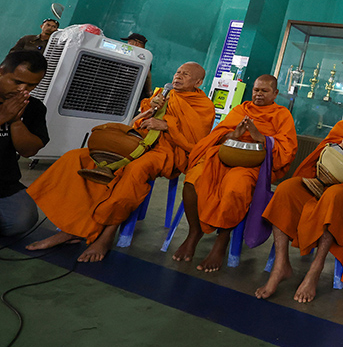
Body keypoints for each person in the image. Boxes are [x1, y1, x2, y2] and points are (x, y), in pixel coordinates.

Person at [26, 62, 215, 262]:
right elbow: (137, 123)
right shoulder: (163, 94)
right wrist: (151, 109)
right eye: (178, 71)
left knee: (133, 170)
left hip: (167, 152)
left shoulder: (204, 106)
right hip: (136, 142)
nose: (178, 76)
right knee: (77, 157)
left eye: (185, 74)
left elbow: (196, 144)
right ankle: (71, 227)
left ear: (198, 82)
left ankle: (107, 234)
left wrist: (168, 126)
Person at [255, 85, 343, 302]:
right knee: (286, 189)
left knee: (333, 197)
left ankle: (315, 270)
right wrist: (338, 147)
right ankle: (281, 264)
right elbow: (323, 152)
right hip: (323, 179)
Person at [173, 74, 297, 272]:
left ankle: (222, 241)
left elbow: (287, 150)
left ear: (275, 93)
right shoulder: (242, 109)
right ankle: (194, 232)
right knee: (193, 179)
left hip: (254, 163)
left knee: (235, 187)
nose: (258, 94)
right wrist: (234, 134)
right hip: (226, 155)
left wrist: (261, 138)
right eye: (256, 90)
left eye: (264, 91)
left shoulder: (282, 115)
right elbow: (218, 134)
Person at [0, 51, 49, 237]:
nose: (23, 89)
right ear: (1, 72)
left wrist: (15, 121)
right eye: (17, 81)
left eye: (32, 85)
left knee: (22, 220)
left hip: (4, 183)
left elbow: (29, 150)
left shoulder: (34, 107)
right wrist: (2, 116)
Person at [121, 32, 153, 103]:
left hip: (133, 96)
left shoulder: (141, 58)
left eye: (129, 42)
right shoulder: (145, 57)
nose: (127, 44)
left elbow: (147, 76)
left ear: (136, 43)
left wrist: (148, 92)